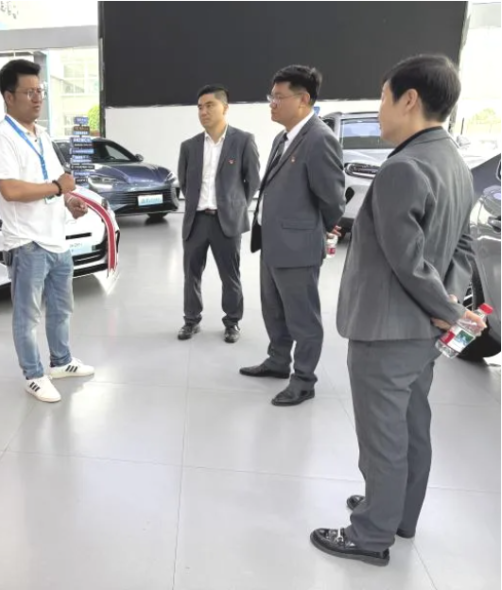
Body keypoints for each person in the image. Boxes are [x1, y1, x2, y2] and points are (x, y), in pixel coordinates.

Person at [310, 55, 483, 566]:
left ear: (409, 100)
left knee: (382, 435)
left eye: (382, 98)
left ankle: (370, 534)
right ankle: (399, 512)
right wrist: (447, 304)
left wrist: (445, 309)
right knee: (411, 424)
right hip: (422, 332)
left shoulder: (403, 168)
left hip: (387, 329)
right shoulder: (454, 162)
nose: (379, 110)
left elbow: (405, 262)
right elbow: (463, 248)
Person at [0, 59, 94, 403]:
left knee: (62, 308)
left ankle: (60, 361)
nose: (37, 99)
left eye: (40, 91)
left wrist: (68, 201)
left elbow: (53, 182)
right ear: (8, 96)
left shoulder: (41, 134)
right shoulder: (1, 137)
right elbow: (11, 190)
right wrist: (58, 188)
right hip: (27, 242)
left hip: (56, 239)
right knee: (27, 316)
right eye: (29, 92)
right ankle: (33, 375)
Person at [241, 65, 345, 407]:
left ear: (303, 99)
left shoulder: (319, 139)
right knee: (274, 310)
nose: (272, 103)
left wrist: (318, 229)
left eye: (278, 97)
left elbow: (332, 199)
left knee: (303, 317)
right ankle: (277, 361)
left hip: (298, 246)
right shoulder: (282, 138)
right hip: (272, 241)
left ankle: (304, 380)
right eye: (271, 96)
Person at [177, 84, 261, 343]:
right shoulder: (189, 146)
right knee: (191, 275)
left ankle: (232, 322)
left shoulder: (243, 141)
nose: (203, 111)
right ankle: (191, 320)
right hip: (196, 221)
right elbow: (185, 183)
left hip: (226, 222)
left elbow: (253, 181)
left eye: (209, 105)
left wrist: (235, 205)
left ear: (225, 107)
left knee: (230, 275)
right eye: (200, 107)